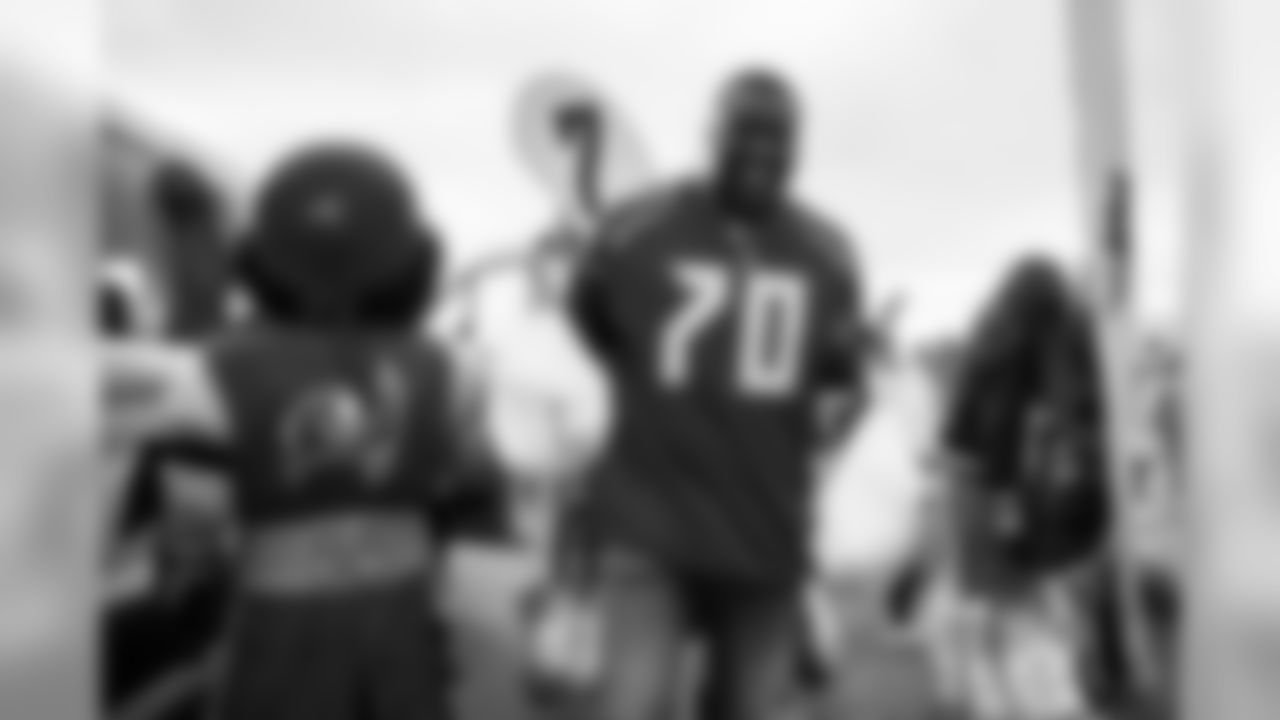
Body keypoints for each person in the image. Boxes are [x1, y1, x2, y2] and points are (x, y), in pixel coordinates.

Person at [102, 141, 611, 720]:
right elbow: (537, 445)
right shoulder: (448, 368)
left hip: (278, 619)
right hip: (400, 613)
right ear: (416, 260)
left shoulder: (220, 369)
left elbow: (187, 512)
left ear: (259, 259)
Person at [564, 68, 866, 720]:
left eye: (778, 137)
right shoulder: (637, 227)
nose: (762, 151)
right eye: (746, 133)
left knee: (749, 708)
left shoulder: (828, 253)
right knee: (637, 704)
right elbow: (596, 326)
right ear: (711, 136)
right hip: (653, 522)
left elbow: (839, 383)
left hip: (762, 529)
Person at [933, 255, 1114, 720]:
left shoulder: (989, 342)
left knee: (993, 607)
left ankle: (996, 703)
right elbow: (999, 431)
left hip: (967, 485)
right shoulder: (1026, 355)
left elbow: (963, 433)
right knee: (1026, 609)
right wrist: (1007, 505)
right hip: (997, 489)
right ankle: (1052, 704)